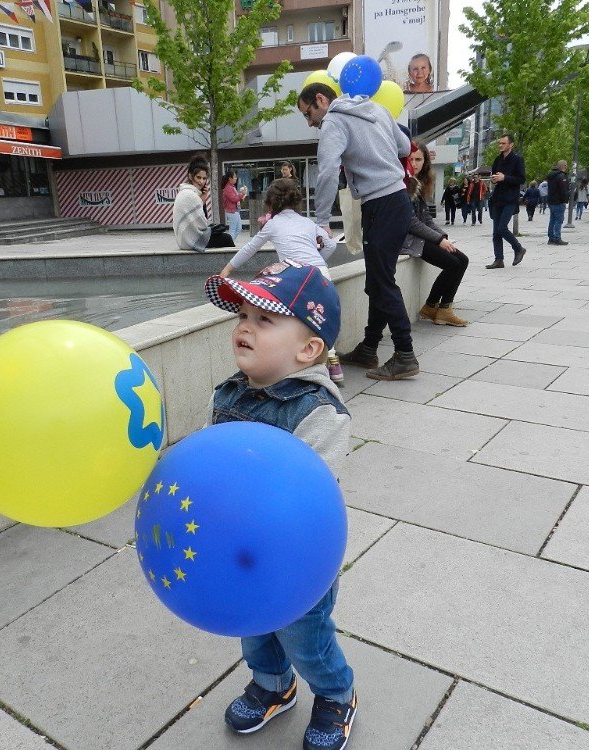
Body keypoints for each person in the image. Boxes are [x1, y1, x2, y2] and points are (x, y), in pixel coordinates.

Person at [204, 261, 356, 750]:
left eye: (264, 319)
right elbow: (206, 465)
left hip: (297, 556)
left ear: (308, 349)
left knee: (304, 635)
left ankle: (336, 693)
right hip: (240, 550)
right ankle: (272, 684)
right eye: (243, 315)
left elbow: (310, 492)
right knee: (252, 626)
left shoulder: (318, 412)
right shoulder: (226, 393)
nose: (244, 327)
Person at [298, 81, 419, 381]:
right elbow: (405, 146)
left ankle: (405, 354)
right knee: (379, 280)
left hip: (380, 204)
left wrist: (322, 220)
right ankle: (369, 348)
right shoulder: (376, 108)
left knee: (382, 283)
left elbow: (327, 171)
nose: (311, 123)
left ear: (321, 100)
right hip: (400, 201)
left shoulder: (334, 122)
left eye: (308, 114)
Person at [218, 177, 345, 383]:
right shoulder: (308, 222)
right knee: (320, 320)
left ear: (270, 204)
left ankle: (309, 365)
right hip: (320, 274)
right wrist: (317, 263)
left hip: (296, 278)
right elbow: (330, 245)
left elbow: (250, 248)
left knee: (299, 320)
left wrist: (227, 270)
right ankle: (333, 364)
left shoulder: (273, 224)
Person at [401, 141, 469, 327]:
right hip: (406, 239)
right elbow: (410, 222)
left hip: (419, 237)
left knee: (462, 260)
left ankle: (437, 308)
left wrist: (442, 235)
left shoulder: (420, 183)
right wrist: (438, 239)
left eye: (418, 159)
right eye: (410, 159)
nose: (414, 163)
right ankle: (436, 307)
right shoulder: (403, 183)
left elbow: (427, 219)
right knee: (453, 264)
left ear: (425, 162)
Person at [173, 154, 235, 251]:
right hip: (191, 241)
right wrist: (201, 200)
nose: (201, 181)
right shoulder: (191, 195)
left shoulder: (185, 191)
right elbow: (203, 225)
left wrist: (203, 200)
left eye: (204, 178)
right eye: (198, 177)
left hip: (184, 240)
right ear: (190, 176)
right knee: (227, 239)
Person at [486, 133, 527, 269]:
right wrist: (494, 179)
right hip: (497, 198)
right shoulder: (497, 159)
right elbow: (494, 175)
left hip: (510, 199)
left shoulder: (517, 160)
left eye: (503, 143)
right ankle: (499, 259)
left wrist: (505, 178)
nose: (500, 145)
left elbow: (521, 179)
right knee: (496, 232)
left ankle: (518, 248)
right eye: (499, 143)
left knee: (502, 228)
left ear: (511, 145)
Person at [546, 160, 570, 246]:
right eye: (566, 165)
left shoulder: (551, 176)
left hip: (551, 201)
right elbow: (563, 190)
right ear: (564, 166)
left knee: (552, 219)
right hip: (559, 201)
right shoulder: (561, 176)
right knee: (559, 220)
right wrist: (565, 199)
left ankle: (551, 238)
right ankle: (557, 238)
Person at [222, 170, 248, 239]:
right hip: (231, 211)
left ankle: (231, 242)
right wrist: (242, 194)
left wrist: (242, 194)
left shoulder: (232, 187)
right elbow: (234, 199)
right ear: (230, 178)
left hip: (235, 210)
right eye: (235, 177)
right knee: (233, 229)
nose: (236, 178)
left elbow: (236, 198)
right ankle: (230, 243)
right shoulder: (228, 188)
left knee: (239, 228)